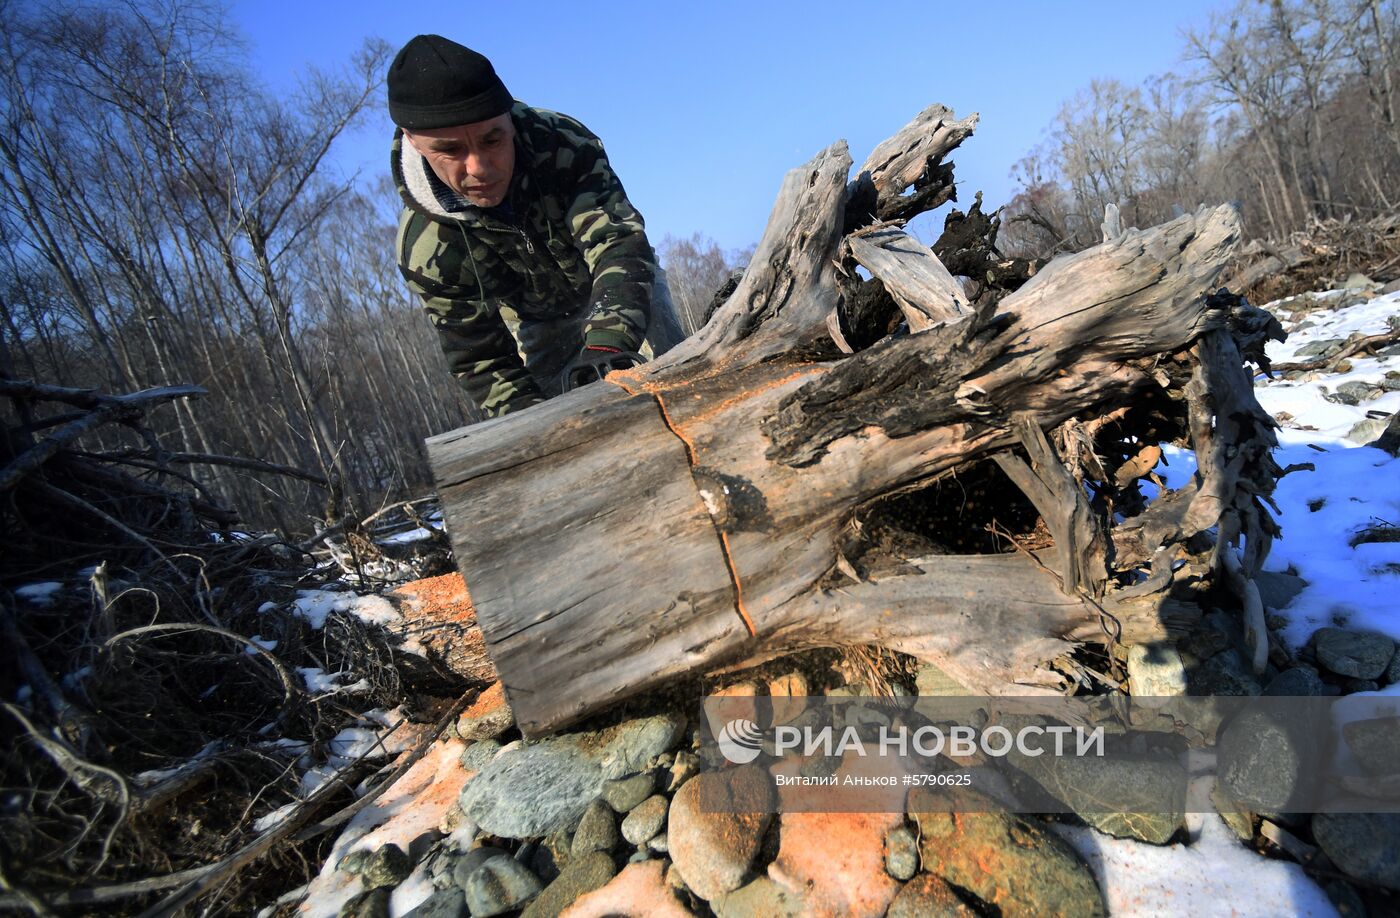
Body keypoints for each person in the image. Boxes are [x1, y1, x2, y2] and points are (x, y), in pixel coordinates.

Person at [388, 34, 686, 419]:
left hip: (621, 280)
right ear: (413, 141)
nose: (479, 167)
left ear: (509, 119)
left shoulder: (564, 144)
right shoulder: (426, 248)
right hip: (538, 322)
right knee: (557, 422)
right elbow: (482, 360)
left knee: (682, 374)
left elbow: (619, 244)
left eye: (492, 139)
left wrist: (606, 346)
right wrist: (538, 428)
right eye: (450, 150)